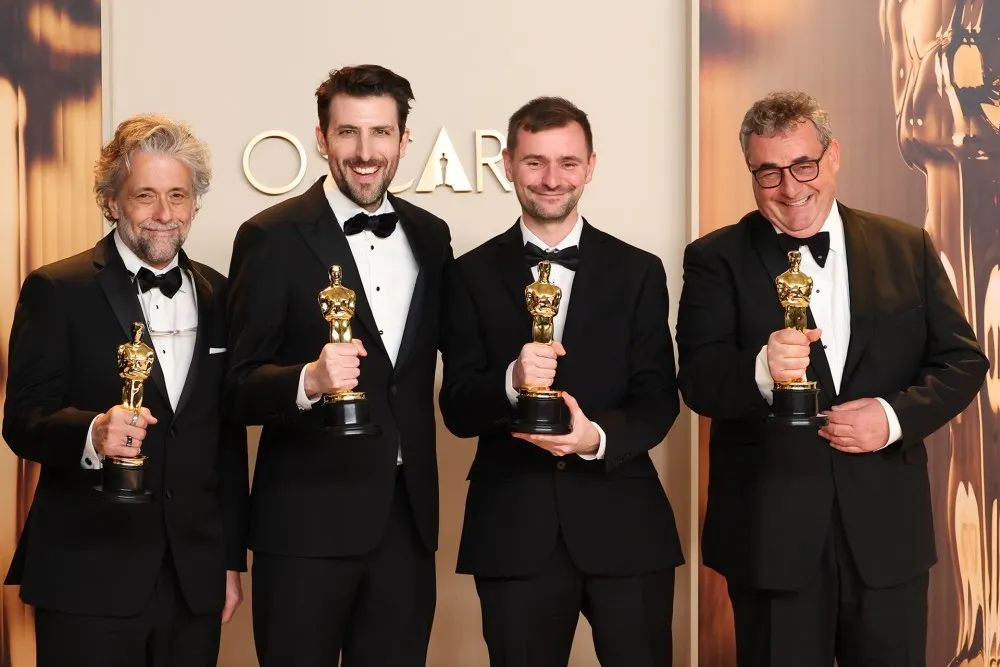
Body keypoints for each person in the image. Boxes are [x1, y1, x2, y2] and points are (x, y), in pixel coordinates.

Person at [676, 90, 989, 666]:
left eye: (803, 166)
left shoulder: (906, 246)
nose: (791, 189)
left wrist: (893, 418)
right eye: (768, 173)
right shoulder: (713, 259)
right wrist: (760, 371)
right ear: (751, 172)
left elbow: (964, 361)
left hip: (887, 538)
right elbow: (697, 382)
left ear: (833, 155)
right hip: (771, 540)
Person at [440, 96, 683, 667]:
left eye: (568, 163)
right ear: (508, 163)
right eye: (535, 162)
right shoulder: (467, 274)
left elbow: (658, 399)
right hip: (513, 528)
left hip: (626, 527)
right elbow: (456, 409)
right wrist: (510, 380)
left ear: (591, 165)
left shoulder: (639, 270)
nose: (552, 179)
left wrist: (595, 439)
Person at [3, 114, 249, 667]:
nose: (164, 214)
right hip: (87, 572)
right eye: (145, 195)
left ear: (194, 204)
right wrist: (92, 432)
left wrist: (230, 559)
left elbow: (226, 441)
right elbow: (22, 421)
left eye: (177, 196)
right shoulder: (57, 289)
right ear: (112, 201)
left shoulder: (222, 295)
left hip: (193, 577)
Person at [226, 64, 452, 666]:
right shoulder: (270, 237)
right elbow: (238, 386)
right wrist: (308, 380)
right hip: (304, 527)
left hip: (406, 524)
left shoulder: (432, 237)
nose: (364, 151)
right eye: (347, 132)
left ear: (405, 141)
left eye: (380, 133)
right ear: (321, 139)